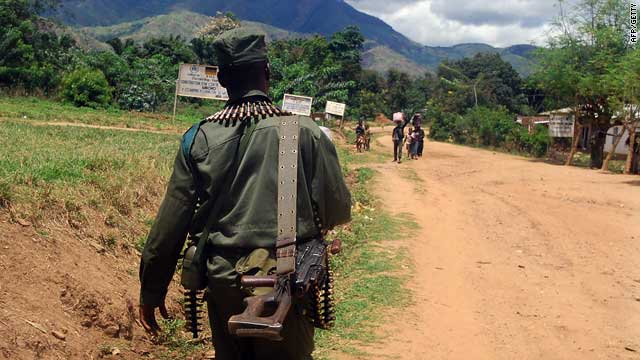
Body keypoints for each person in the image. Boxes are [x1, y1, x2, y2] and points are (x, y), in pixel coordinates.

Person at [138, 28, 352, 360]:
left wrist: (152, 287)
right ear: (267, 72)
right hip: (287, 279)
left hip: (222, 281)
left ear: (222, 79)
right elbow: (336, 211)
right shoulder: (305, 131)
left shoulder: (198, 137)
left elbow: (170, 225)